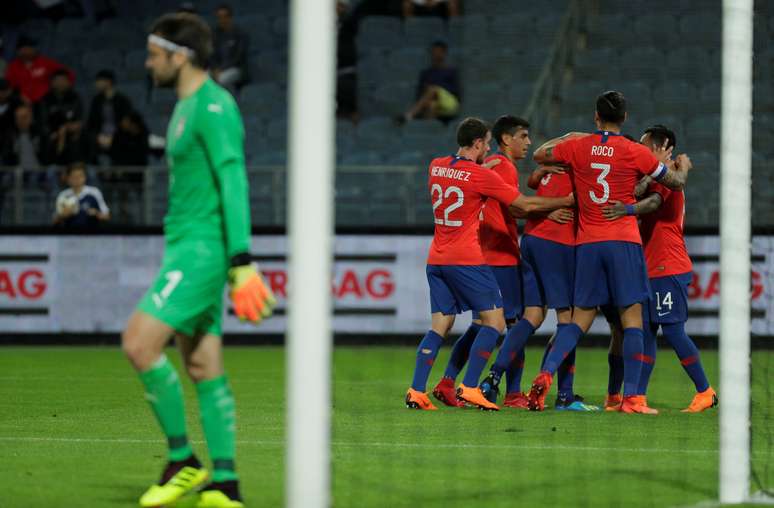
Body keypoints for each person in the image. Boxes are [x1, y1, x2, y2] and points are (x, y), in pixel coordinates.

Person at [124, 13, 276, 508]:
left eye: (154, 54)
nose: (148, 64)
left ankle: (182, 460)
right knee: (203, 366)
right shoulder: (185, 106)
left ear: (179, 55)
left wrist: (241, 259)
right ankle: (226, 485)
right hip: (188, 245)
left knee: (139, 345)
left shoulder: (212, 106)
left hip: (203, 250)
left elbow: (234, 178)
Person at [526, 90, 692, 414]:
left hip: (587, 244)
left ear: (595, 116)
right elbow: (674, 183)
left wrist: (575, 136)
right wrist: (681, 167)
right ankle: (630, 399)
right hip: (623, 242)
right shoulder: (632, 150)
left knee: (577, 321)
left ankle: (545, 373)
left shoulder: (578, 145)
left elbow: (540, 155)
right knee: (632, 322)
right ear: (626, 118)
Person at [405, 116, 574, 411]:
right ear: (480, 143)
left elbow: (464, 177)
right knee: (497, 323)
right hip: (468, 258)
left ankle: (417, 391)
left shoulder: (436, 165)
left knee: (440, 326)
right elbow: (523, 205)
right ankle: (472, 387)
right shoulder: (481, 174)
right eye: (485, 144)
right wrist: (567, 201)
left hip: (437, 259)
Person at [602, 125, 716, 413]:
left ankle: (705, 391)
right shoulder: (655, 175)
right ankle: (637, 397)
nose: (639, 151)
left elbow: (652, 203)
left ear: (662, 147)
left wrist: (626, 210)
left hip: (669, 266)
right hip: (652, 267)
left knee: (674, 331)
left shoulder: (667, 178)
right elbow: (638, 190)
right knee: (648, 331)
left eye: (644, 146)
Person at [400, 40, 460, 123]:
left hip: (449, 104)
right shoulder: (426, 73)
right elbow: (420, 93)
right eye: (434, 51)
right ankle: (428, 131)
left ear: (444, 53)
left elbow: (455, 92)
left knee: (433, 89)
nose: (436, 54)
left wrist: (437, 90)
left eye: (439, 51)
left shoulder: (451, 71)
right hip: (431, 103)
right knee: (432, 105)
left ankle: (409, 115)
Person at [4, 36, 75, 103]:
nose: (28, 51)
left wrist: (63, 89)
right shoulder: (13, 67)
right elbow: (9, 87)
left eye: (31, 48)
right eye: (24, 49)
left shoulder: (46, 63)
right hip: (22, 102)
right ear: (18, 51)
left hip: (46, 101)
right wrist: (18, 97)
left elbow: (69, 74)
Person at [85, 69, 135, 164]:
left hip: (119, 136)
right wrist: (98, 136)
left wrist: (113, 137)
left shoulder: (122, 100)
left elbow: (127, 123)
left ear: (108, 82)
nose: (96, 84)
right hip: (99, 137)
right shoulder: (96, 101)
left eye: (99, 81)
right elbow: (91, 123)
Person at [39, 69, 86, 165]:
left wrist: (71, 127)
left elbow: (80, 119)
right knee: (46, 140)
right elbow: (42, 121)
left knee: (80, 138)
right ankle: (49, 167)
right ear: (52, 83)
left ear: (69, 82)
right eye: (58, 81)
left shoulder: (75, 98)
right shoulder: (46, 99)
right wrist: (52, 133)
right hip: (52, 135)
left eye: (63, 81)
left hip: (71, 133)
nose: (61, 83)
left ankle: (77, 167)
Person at [53, 161, 110, 227]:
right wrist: (64, 215)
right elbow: (55, 221)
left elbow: (107, 217)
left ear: (85, 177)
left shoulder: (94, 192)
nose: (77, 179)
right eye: (74, 176)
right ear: (68, 178)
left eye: (80, 176)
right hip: (69, 235)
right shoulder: (63, 195)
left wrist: (96, 213)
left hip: (91, 234)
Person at [211, 4, 249, 92]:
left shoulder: (240, 34)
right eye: (219, 17)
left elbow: (238, 57)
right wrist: (215, 68)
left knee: (220, 80)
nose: (222, 20)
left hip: (236, 69)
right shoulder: (215, 34)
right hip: (218, 69)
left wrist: (221, 69)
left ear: (230, 17)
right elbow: (211, 55)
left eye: (225, 16)